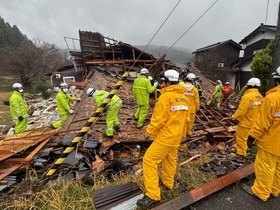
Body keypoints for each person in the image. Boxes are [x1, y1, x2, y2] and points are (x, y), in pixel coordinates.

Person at [137, 69, 190, 207]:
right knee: (170, 160)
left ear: (167, 82)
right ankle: (168, 184)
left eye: (162, 82)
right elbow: (188, 119)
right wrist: (183, 133)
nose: (161, 85)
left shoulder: (165, 97)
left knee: (149, 160)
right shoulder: (184, 97)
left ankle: (153, 195)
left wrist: (148, 131)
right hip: (176, 136)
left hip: (165, 137)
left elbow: (158, 119)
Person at [242, 67, 280, 201]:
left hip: (271, 142)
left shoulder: (273, 98)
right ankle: (274, 190)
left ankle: (261, 192)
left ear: (277, 80)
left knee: (265, 167)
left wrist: (251, 138)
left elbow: (262, 123)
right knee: (278, 168)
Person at [231, 78, 263, 156]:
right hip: (255, 123)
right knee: (248, 139)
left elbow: (242, 110)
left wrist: (235, 117)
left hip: (245, 122)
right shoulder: (260, 96)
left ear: (248, 85)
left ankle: (241, 153)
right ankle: (247, 150)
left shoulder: (247, 96)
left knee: (241, 138)